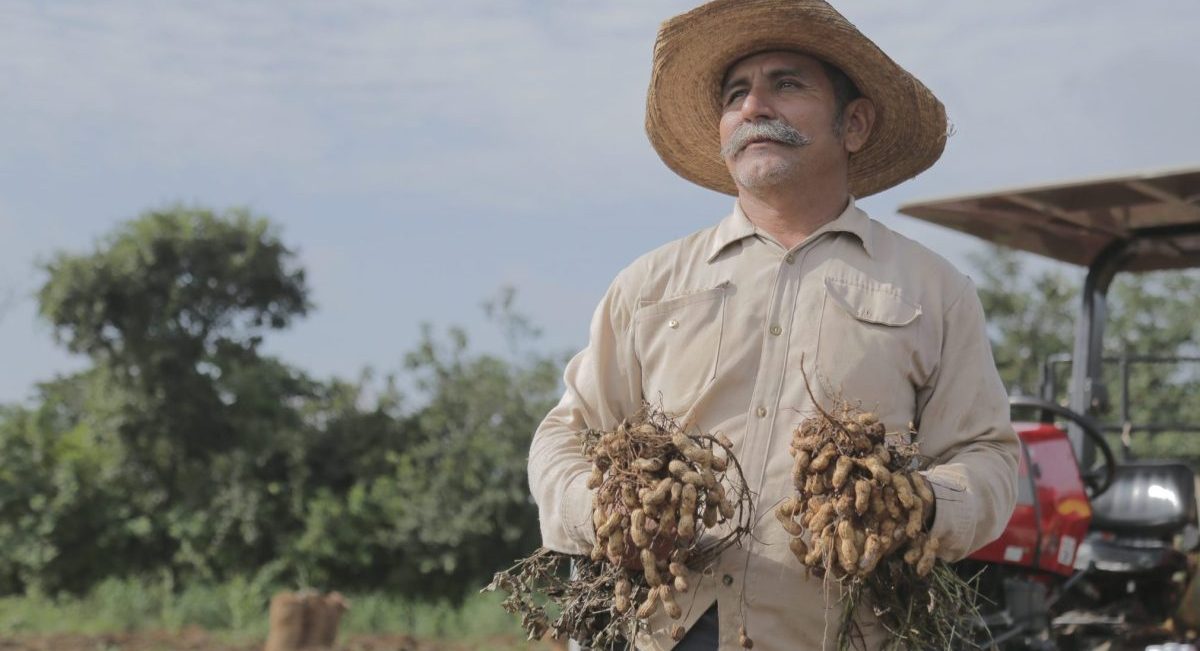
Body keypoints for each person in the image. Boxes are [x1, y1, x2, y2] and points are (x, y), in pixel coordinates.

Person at [528, 1, 1019, 649]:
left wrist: (916, 503)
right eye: (737, 94)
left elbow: (989, 457)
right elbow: (567, 434)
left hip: (844, 632)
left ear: (856, 124)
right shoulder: (648, 286)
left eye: (786, 84)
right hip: (674, 627)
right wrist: (608, 512)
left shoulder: (933, 289)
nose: (754, 106)